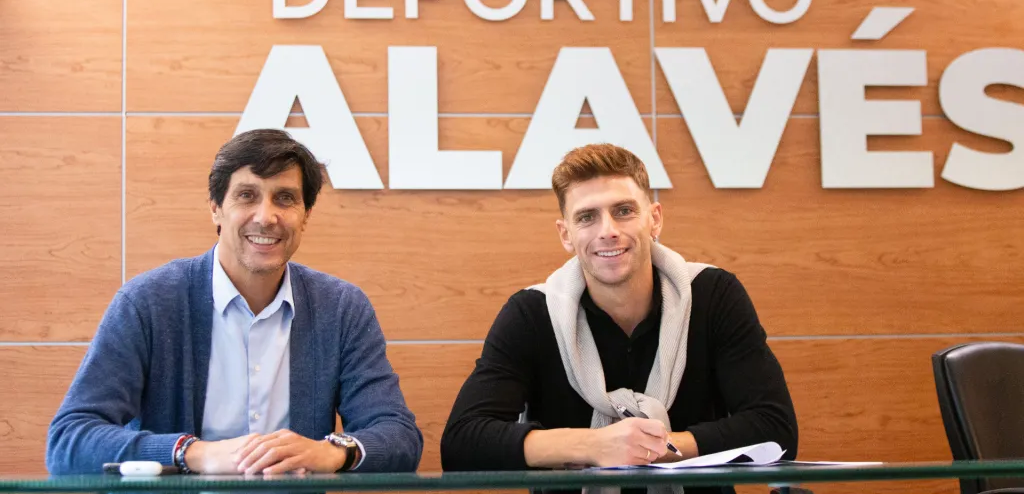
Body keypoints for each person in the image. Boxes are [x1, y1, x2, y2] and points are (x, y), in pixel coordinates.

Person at [47, 129, 423, 475]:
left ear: (306, 215)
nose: (266, 217)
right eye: (247, 195)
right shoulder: (148, 302)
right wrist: (195, 454)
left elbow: (399, 435)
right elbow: (69, 441)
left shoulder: (341, 308)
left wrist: (333, 452)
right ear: (215, 207)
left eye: (285, 198)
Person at [440, 143, 797, 493]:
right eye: (586, 217)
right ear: (566, 234)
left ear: (654, 219)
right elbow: (461, 444)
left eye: (624, 210)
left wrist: (653, 448)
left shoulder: (713, 295)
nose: (607, 230)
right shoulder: (532, 313)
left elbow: (776, 429)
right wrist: (594, 446)